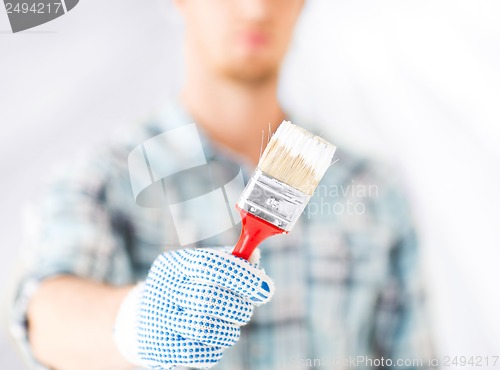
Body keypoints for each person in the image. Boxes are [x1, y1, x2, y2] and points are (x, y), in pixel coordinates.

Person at [11, 0, 434, 369]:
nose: (255, 7)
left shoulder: (371, 188)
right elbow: (46, 322)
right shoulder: (102, 179)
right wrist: (136, 320)